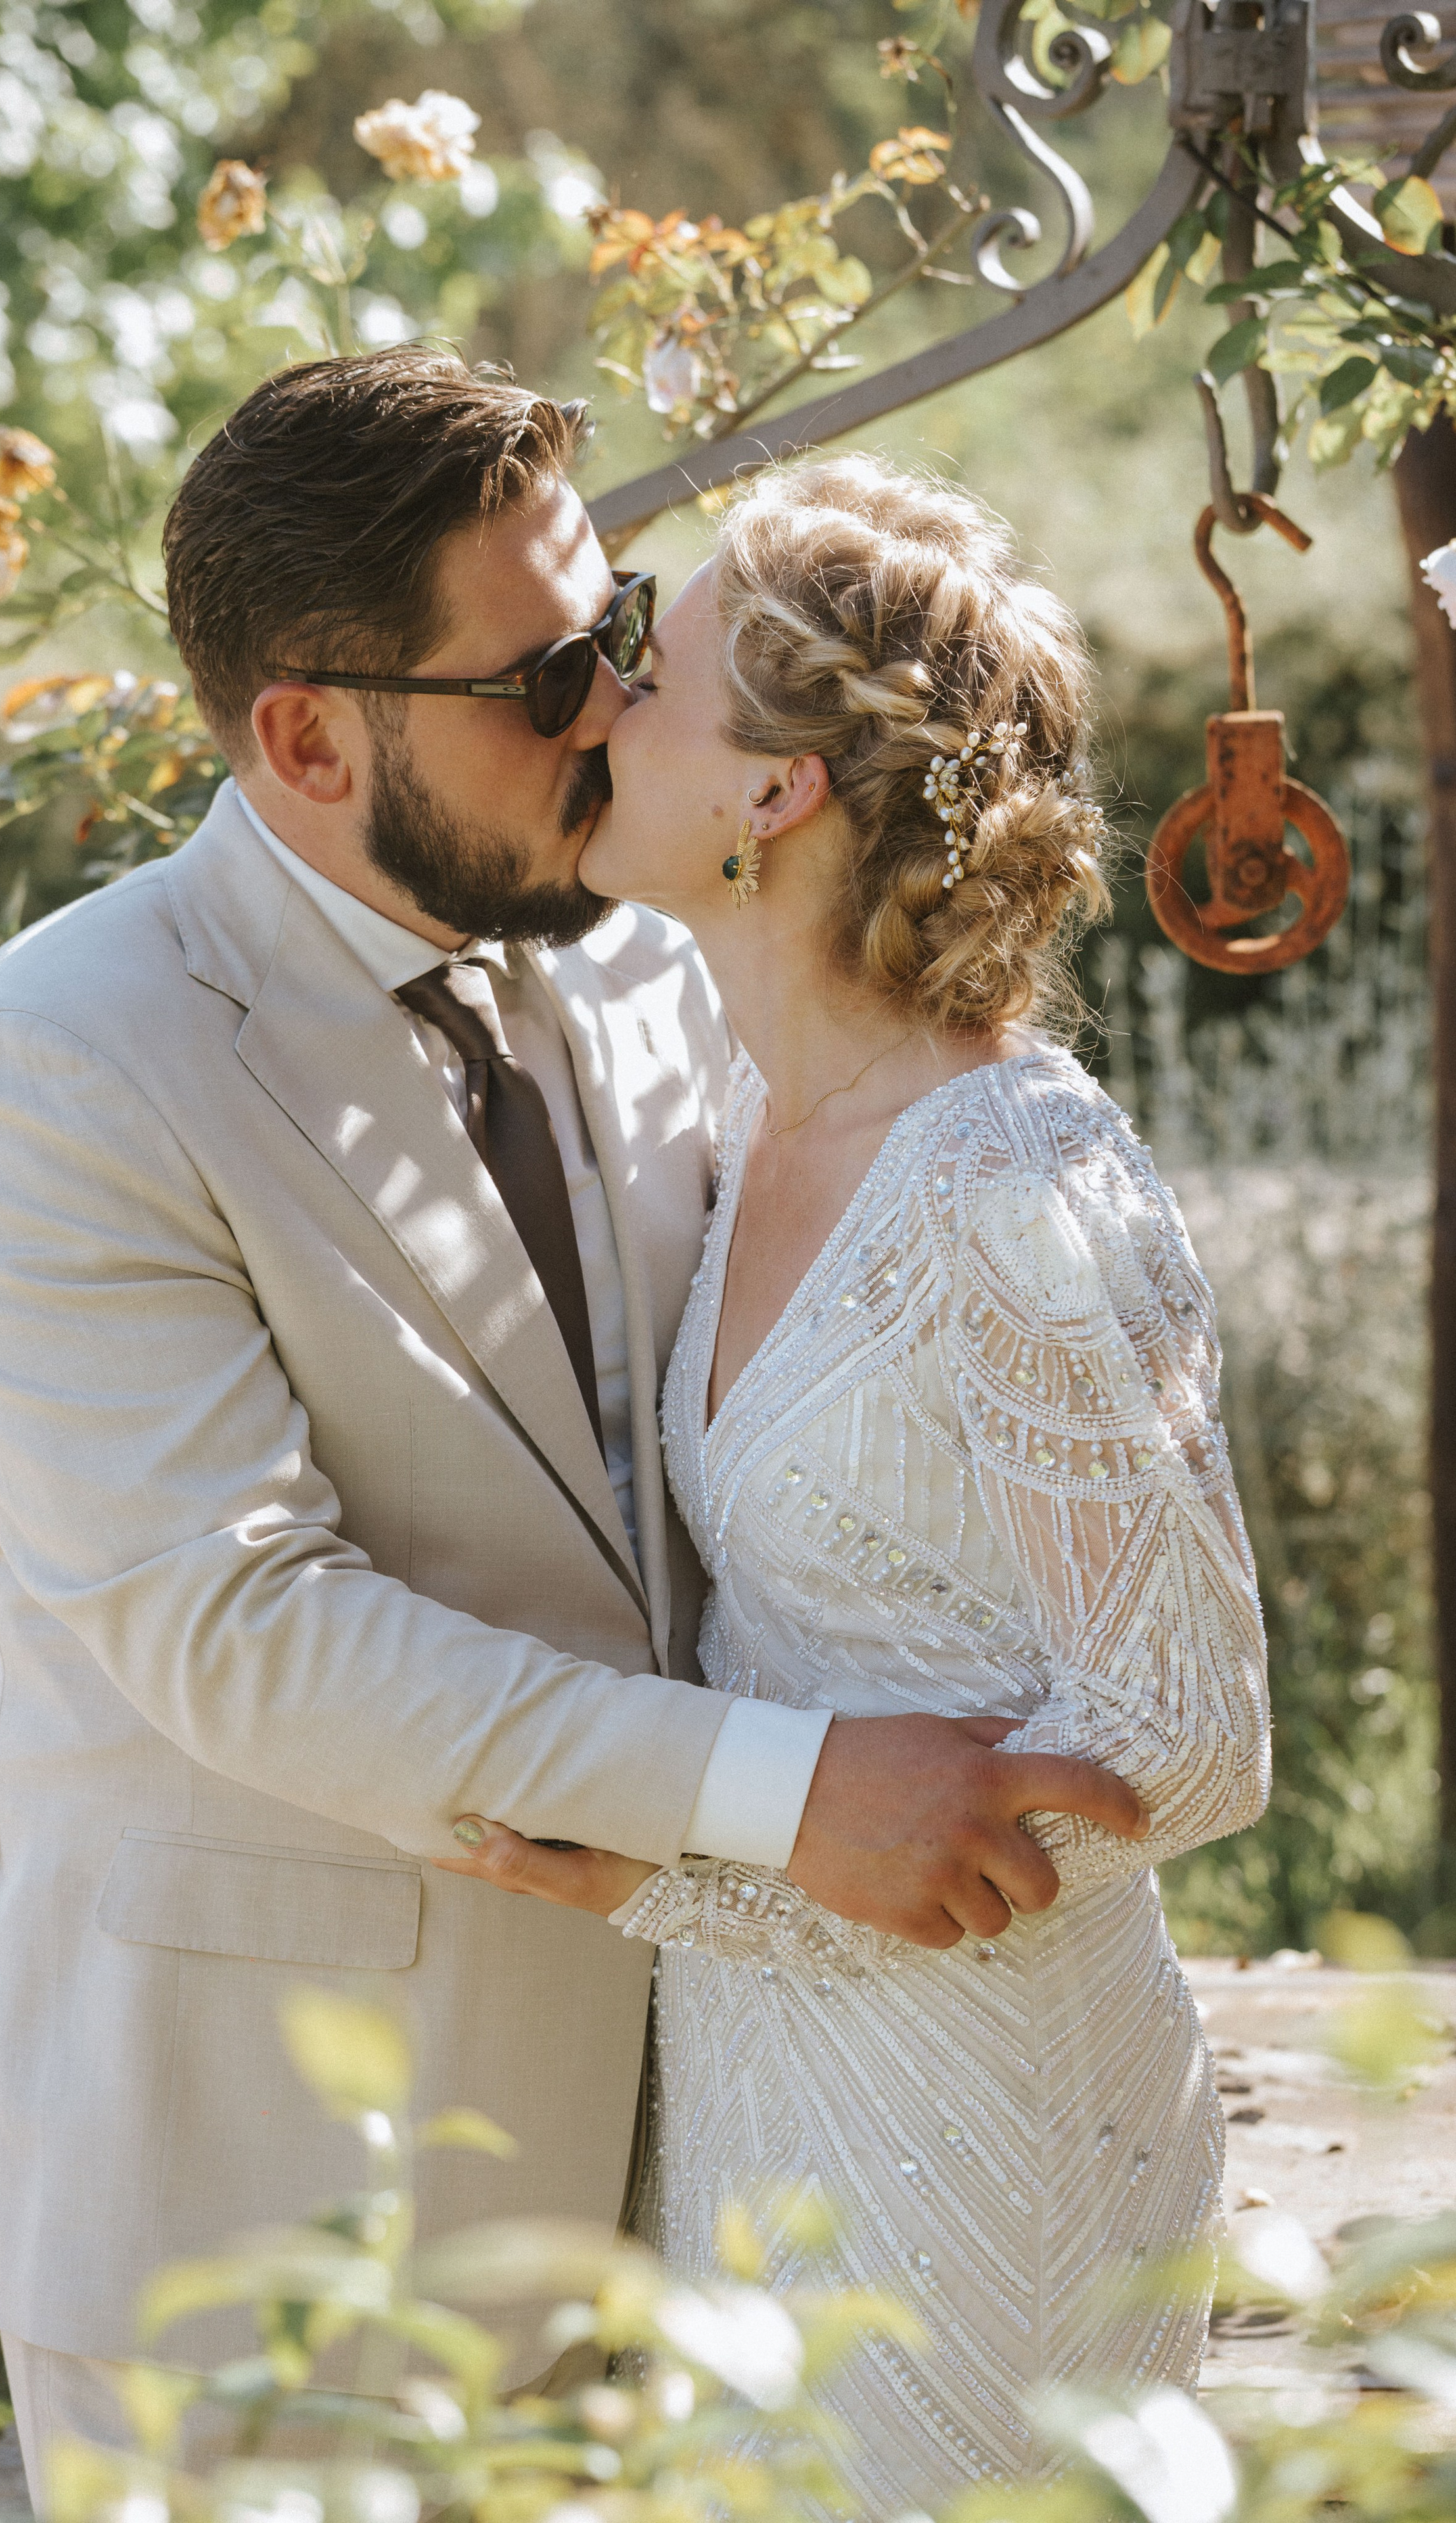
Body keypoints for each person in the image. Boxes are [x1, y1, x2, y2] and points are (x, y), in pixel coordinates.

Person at [0, 353, 1147, 2511]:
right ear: (305, 735)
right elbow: (246, 1628)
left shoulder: (651, 967)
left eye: (618, 629)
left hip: (719, 2159)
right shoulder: (61, 1072)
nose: (604, 709)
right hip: (267, 2214)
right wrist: (789, 1797)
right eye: (543, 672)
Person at [438, 455, 1271, 2511]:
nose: (592, 695)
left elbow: (1198, 1737)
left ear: (775, 793)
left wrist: (706, 1873)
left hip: (996, 2116)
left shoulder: (1014, 1181)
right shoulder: (741, 1109)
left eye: (651, 666)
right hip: (764, 2085)